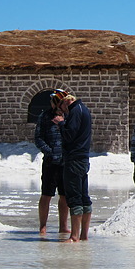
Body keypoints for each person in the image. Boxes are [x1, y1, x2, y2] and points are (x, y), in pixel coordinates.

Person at [50, 89, 93, 243]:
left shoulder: (75, 111)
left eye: (62, 107)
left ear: (67, 101)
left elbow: (69, 135)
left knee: (75, 197)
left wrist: (61, 123)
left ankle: (74, 236)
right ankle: (83, 235)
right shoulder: (85, 109)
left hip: (73, 159)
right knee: (84, 197)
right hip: (83, 158)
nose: (63, 111)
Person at [34, 94, 69, 235]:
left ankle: (63, 226)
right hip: (50, 161)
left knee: (65, 195)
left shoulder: (69, 116)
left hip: (66, 161)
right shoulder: (45, 116)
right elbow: (38, 137)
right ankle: (43, 226)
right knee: (46, 194)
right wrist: (49, 151)